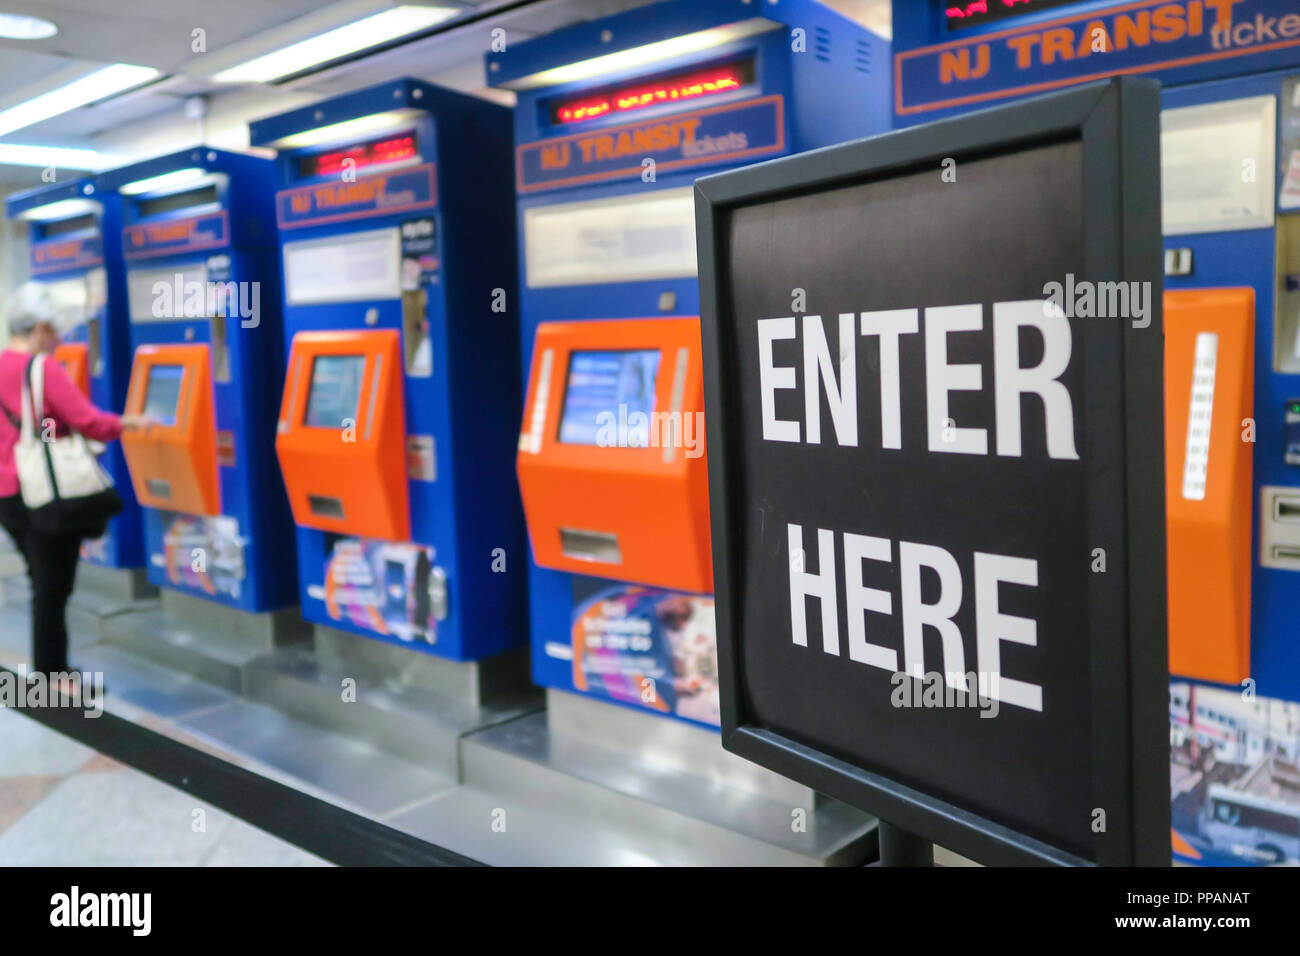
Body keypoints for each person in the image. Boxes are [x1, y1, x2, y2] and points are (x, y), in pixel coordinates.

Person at [0, 282, 149, 681]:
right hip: (43, 492)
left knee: (40, 581)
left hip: (6, 493)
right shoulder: (43, 368)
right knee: (53, 588)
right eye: (56, 330)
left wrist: (50, 431)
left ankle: (48, 670)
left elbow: (35, 425)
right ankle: (52, 674)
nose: (60, 339)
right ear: (41, 328)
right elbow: (89, 421)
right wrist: (131, 422)